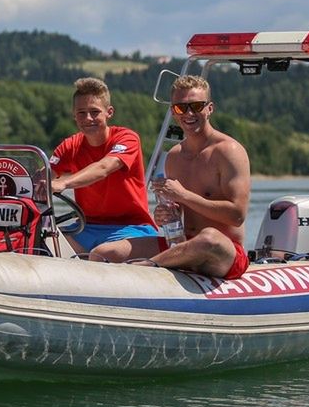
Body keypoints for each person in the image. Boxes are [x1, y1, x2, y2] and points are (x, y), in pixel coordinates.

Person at [108, 75, 251, 279]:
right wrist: (165, 215)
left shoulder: (229, 151)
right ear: (173, 111)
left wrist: (184, 196)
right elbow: (178, 212)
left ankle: (149, 267)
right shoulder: (174, 156)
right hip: (182, 243)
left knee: (208, 238)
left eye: (196, 106)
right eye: (180, 107)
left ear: (210, 108)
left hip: (223, 252)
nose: (188, 113)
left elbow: (237, 216)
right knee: (107, 252)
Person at [49, 78, 160, 261]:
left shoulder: (127, 138)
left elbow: (104, 167)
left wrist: (64, 183)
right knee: (40, 241)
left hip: (131, 228)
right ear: (74, 115)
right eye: (81, 113)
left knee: (102, 254)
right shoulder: (70, 145)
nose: (88, 118)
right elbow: (44, 177)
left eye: (94, 112)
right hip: (86, 228)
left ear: (109, 112)